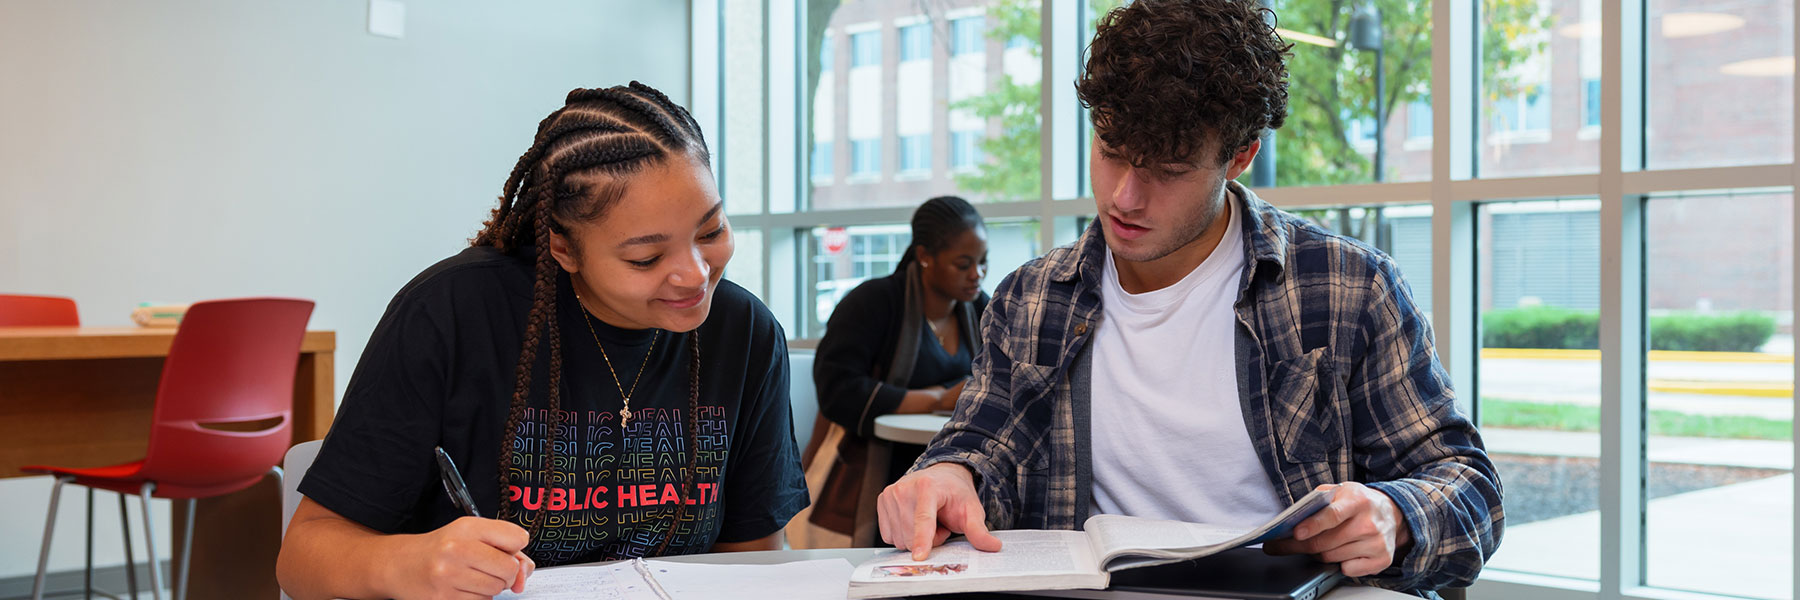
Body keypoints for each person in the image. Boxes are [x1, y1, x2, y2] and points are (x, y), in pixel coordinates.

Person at [874, 1, 1503, 596]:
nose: (1124, 196)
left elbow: (1470, 486)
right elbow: (979, 449)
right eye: (1110, 152)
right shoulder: (1034, 299)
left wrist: (1396, 513)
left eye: (1168, 171)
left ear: (1240, 155)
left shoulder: (1346, 288)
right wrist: (949, 477)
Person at [277, 82, 808, 600]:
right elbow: (302, 558)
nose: (695, 276)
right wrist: (410, 565)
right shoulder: (451, 314)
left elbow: (753, 558)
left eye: (711, 231)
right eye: (645, 258)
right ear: (563, 247)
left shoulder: (745, 332)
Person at [800, 196, 990, 544]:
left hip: (954, 467)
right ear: (924, 256)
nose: (976, 274)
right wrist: (938, 399)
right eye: (963, 263)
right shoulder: (872, 303)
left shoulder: (980, 309)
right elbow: (838, 390)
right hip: (876, 470)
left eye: (982, 262)